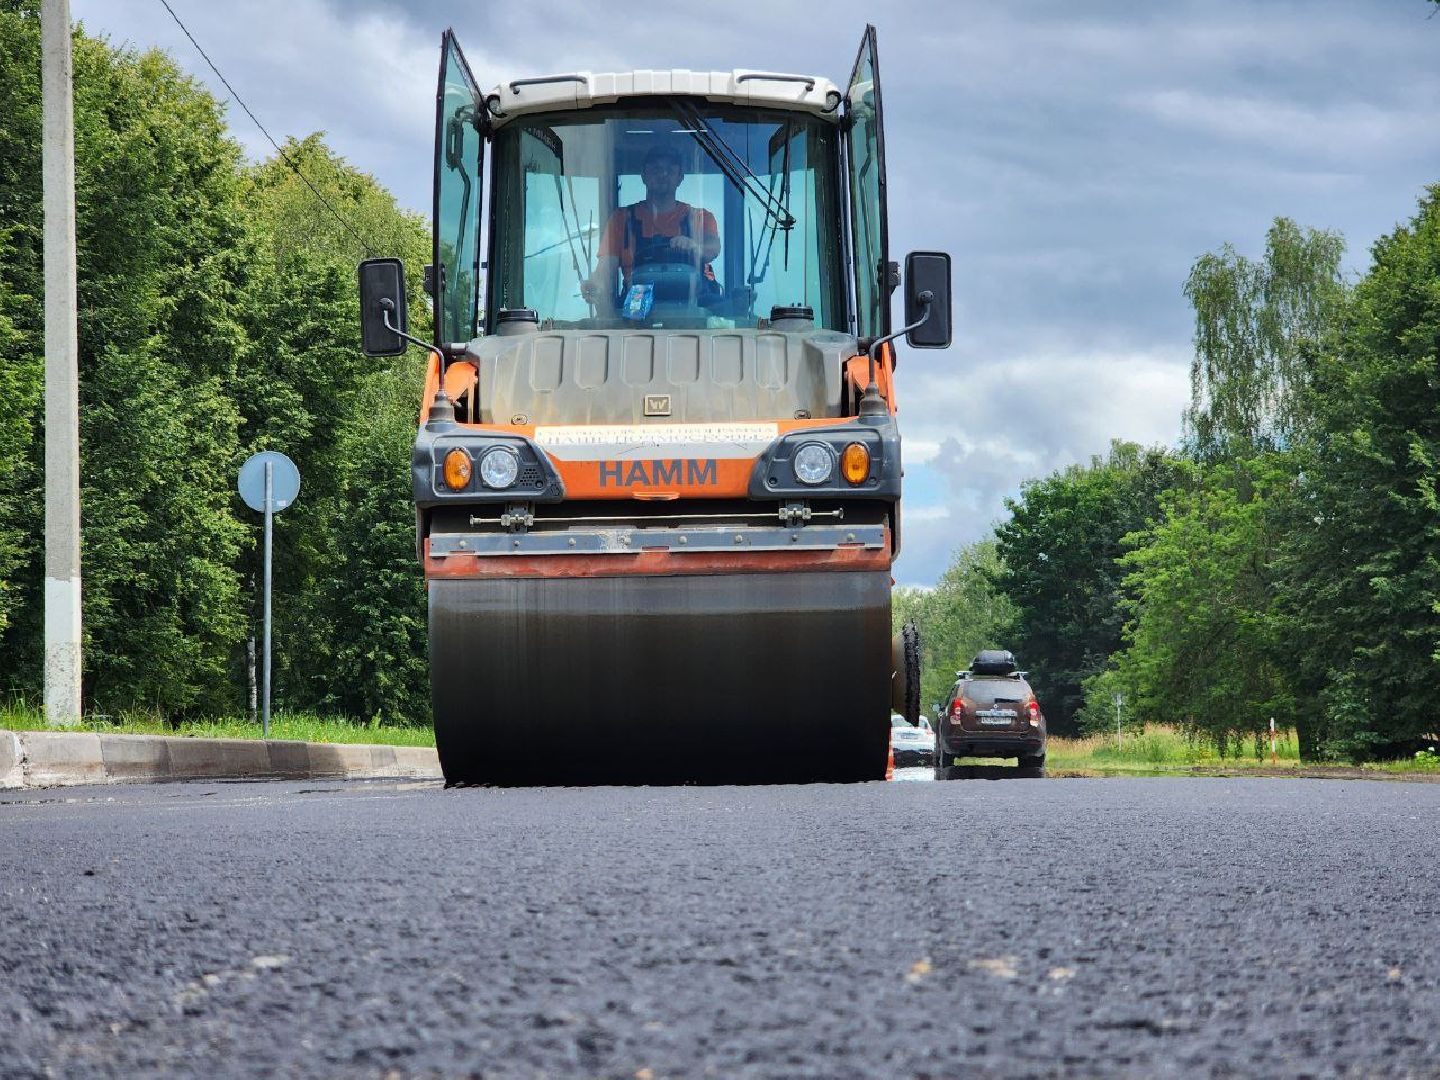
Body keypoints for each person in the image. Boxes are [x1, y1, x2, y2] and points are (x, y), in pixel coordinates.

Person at [581, 145, 721, 310]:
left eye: (670, 170)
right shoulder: (621, 219)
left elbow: (713, 248)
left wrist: (695, 246)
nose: (663, 174)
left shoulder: (701, 218)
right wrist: (595, 284)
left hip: (695, 311)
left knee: (721, 309)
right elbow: (605, 269)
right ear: (643, 175)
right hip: (636, 309)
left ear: (680, 177)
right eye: (656, 169)